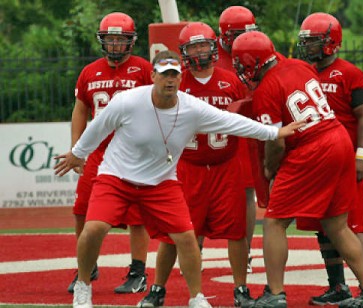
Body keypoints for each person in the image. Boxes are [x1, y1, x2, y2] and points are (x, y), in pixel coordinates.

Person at [54, 49, 304, 308]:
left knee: (186, 237)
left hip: (161, 181)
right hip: (117, 176)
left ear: (181, 78)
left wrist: (274, 133)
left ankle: (196, 296)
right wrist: (78, 153)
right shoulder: (128, 101)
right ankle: (83, 286)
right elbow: (99, 126)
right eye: (164, 75)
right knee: (94, 228)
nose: (169, 80)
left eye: (174, 74)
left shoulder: (191, 108)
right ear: (153, 76)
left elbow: (232, 122)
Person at [231, 30, 363, 308]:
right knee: (336, 225)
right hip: (338, 138)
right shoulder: (299, 66)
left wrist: (270, 170)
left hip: (311, 148)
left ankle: (275, 294)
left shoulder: (266, 88)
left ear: (251, 61)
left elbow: (276, 142)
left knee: (275, 222)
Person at [137, 22, 255, 308]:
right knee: (172, 233)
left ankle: (241, 288)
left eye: (204, 45)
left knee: (236, 232)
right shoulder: (177, 82)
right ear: (184, 52)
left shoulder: (231, 81)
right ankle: (157, 288)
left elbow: (247, 122)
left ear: (214, 47)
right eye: (194, 46)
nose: (200, 51)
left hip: (226, 165)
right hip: (187, 168)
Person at [294, 13, 363, 305]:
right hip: (318, 163)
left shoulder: (351, 74)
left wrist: (361, 156)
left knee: (354, 225)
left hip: (345, 159)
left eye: (314, 41)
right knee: (324, 225)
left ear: (331, 42)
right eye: (307, 41)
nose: (309, 47)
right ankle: (338, 286)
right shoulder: (305, 71)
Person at [68, 12, 150, 294]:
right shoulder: (89, 71)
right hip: (99, 154)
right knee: (81, 211)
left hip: (133, 154)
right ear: (102, 41)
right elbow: (80, 110)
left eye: (120, 39)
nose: (115, 45)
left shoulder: (143, 69)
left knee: (137, 216)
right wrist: (77, 148)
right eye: (110, 39)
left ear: (131, 41)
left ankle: (138, 271)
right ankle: (86, 266)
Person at [216, 5, 259, 274]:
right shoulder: (208, 53)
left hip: (245, 130)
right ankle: (192, 249)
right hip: (210, 131)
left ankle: (246, 249)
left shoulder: (258, 48)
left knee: (247, 192)